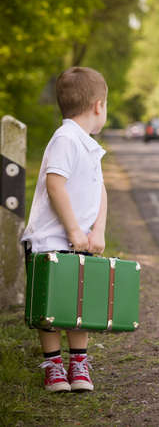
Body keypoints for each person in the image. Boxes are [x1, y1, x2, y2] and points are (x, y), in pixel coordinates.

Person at [22, 66, 108, 392]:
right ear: (98, 105)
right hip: (50, 240)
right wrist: (74, 230)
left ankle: (79, 362)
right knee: (50, 307)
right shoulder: (65, 138)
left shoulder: (89, 145)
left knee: (78, 303)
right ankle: (53, 365)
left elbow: (100, 191)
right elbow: (55, 184)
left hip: (81, 240)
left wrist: (97, 230)